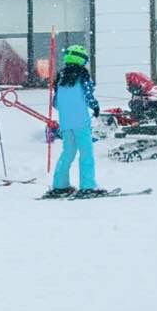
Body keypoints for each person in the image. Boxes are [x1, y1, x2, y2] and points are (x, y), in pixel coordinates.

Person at [44, 44, 101, 197]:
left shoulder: (60, 78)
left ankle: (60, 184)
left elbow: (55, 103)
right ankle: (87, 185)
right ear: (81, 60)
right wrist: (95, 107)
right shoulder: (83, 76)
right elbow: (89, 96)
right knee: (86, 153)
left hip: (65, 123)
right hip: (81, 122)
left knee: (68, 152)